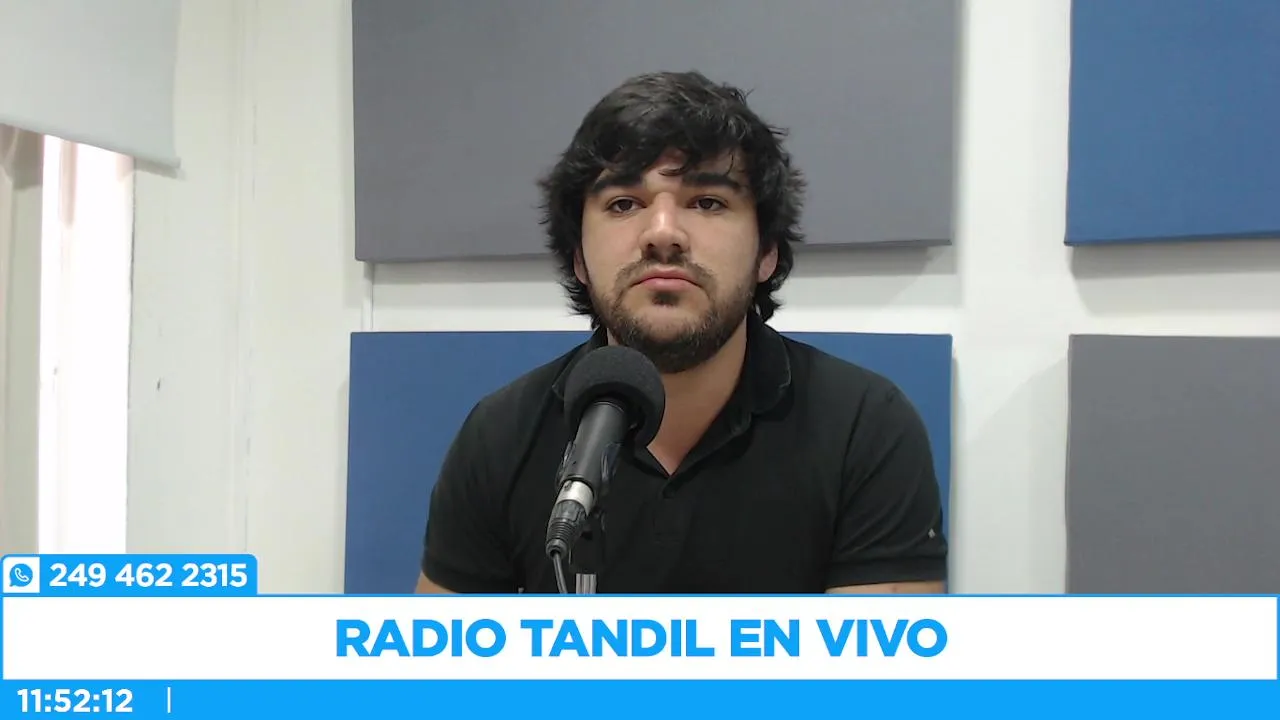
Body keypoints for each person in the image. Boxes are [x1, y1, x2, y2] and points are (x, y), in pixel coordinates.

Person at [416, 70, 947, 594]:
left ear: (766, 252)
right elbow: (441, 650)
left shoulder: (865, 427)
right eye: (624, 204)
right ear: (579, 258)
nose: (663, 234)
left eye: (707, 202)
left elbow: (879, 653)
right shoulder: (500, 436)